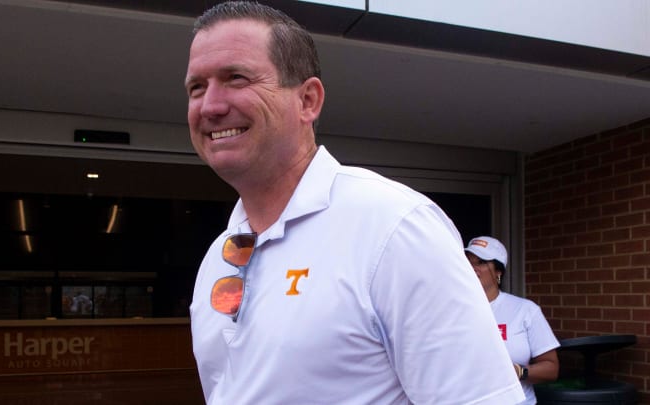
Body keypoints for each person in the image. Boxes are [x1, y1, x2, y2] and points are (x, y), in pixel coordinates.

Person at [185, 2, 524, 403]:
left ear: (308, 100)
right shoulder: (217, 258)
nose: (210, 105)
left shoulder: (393, 227)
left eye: (236, 78)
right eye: (196, 87)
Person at [465, 236, 560, 405]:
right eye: (467, 262)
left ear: (498, 272)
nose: (472, 268)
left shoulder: (524, 310)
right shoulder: (452, 311)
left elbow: (551, 369)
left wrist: (518, 371)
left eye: (480, 262)